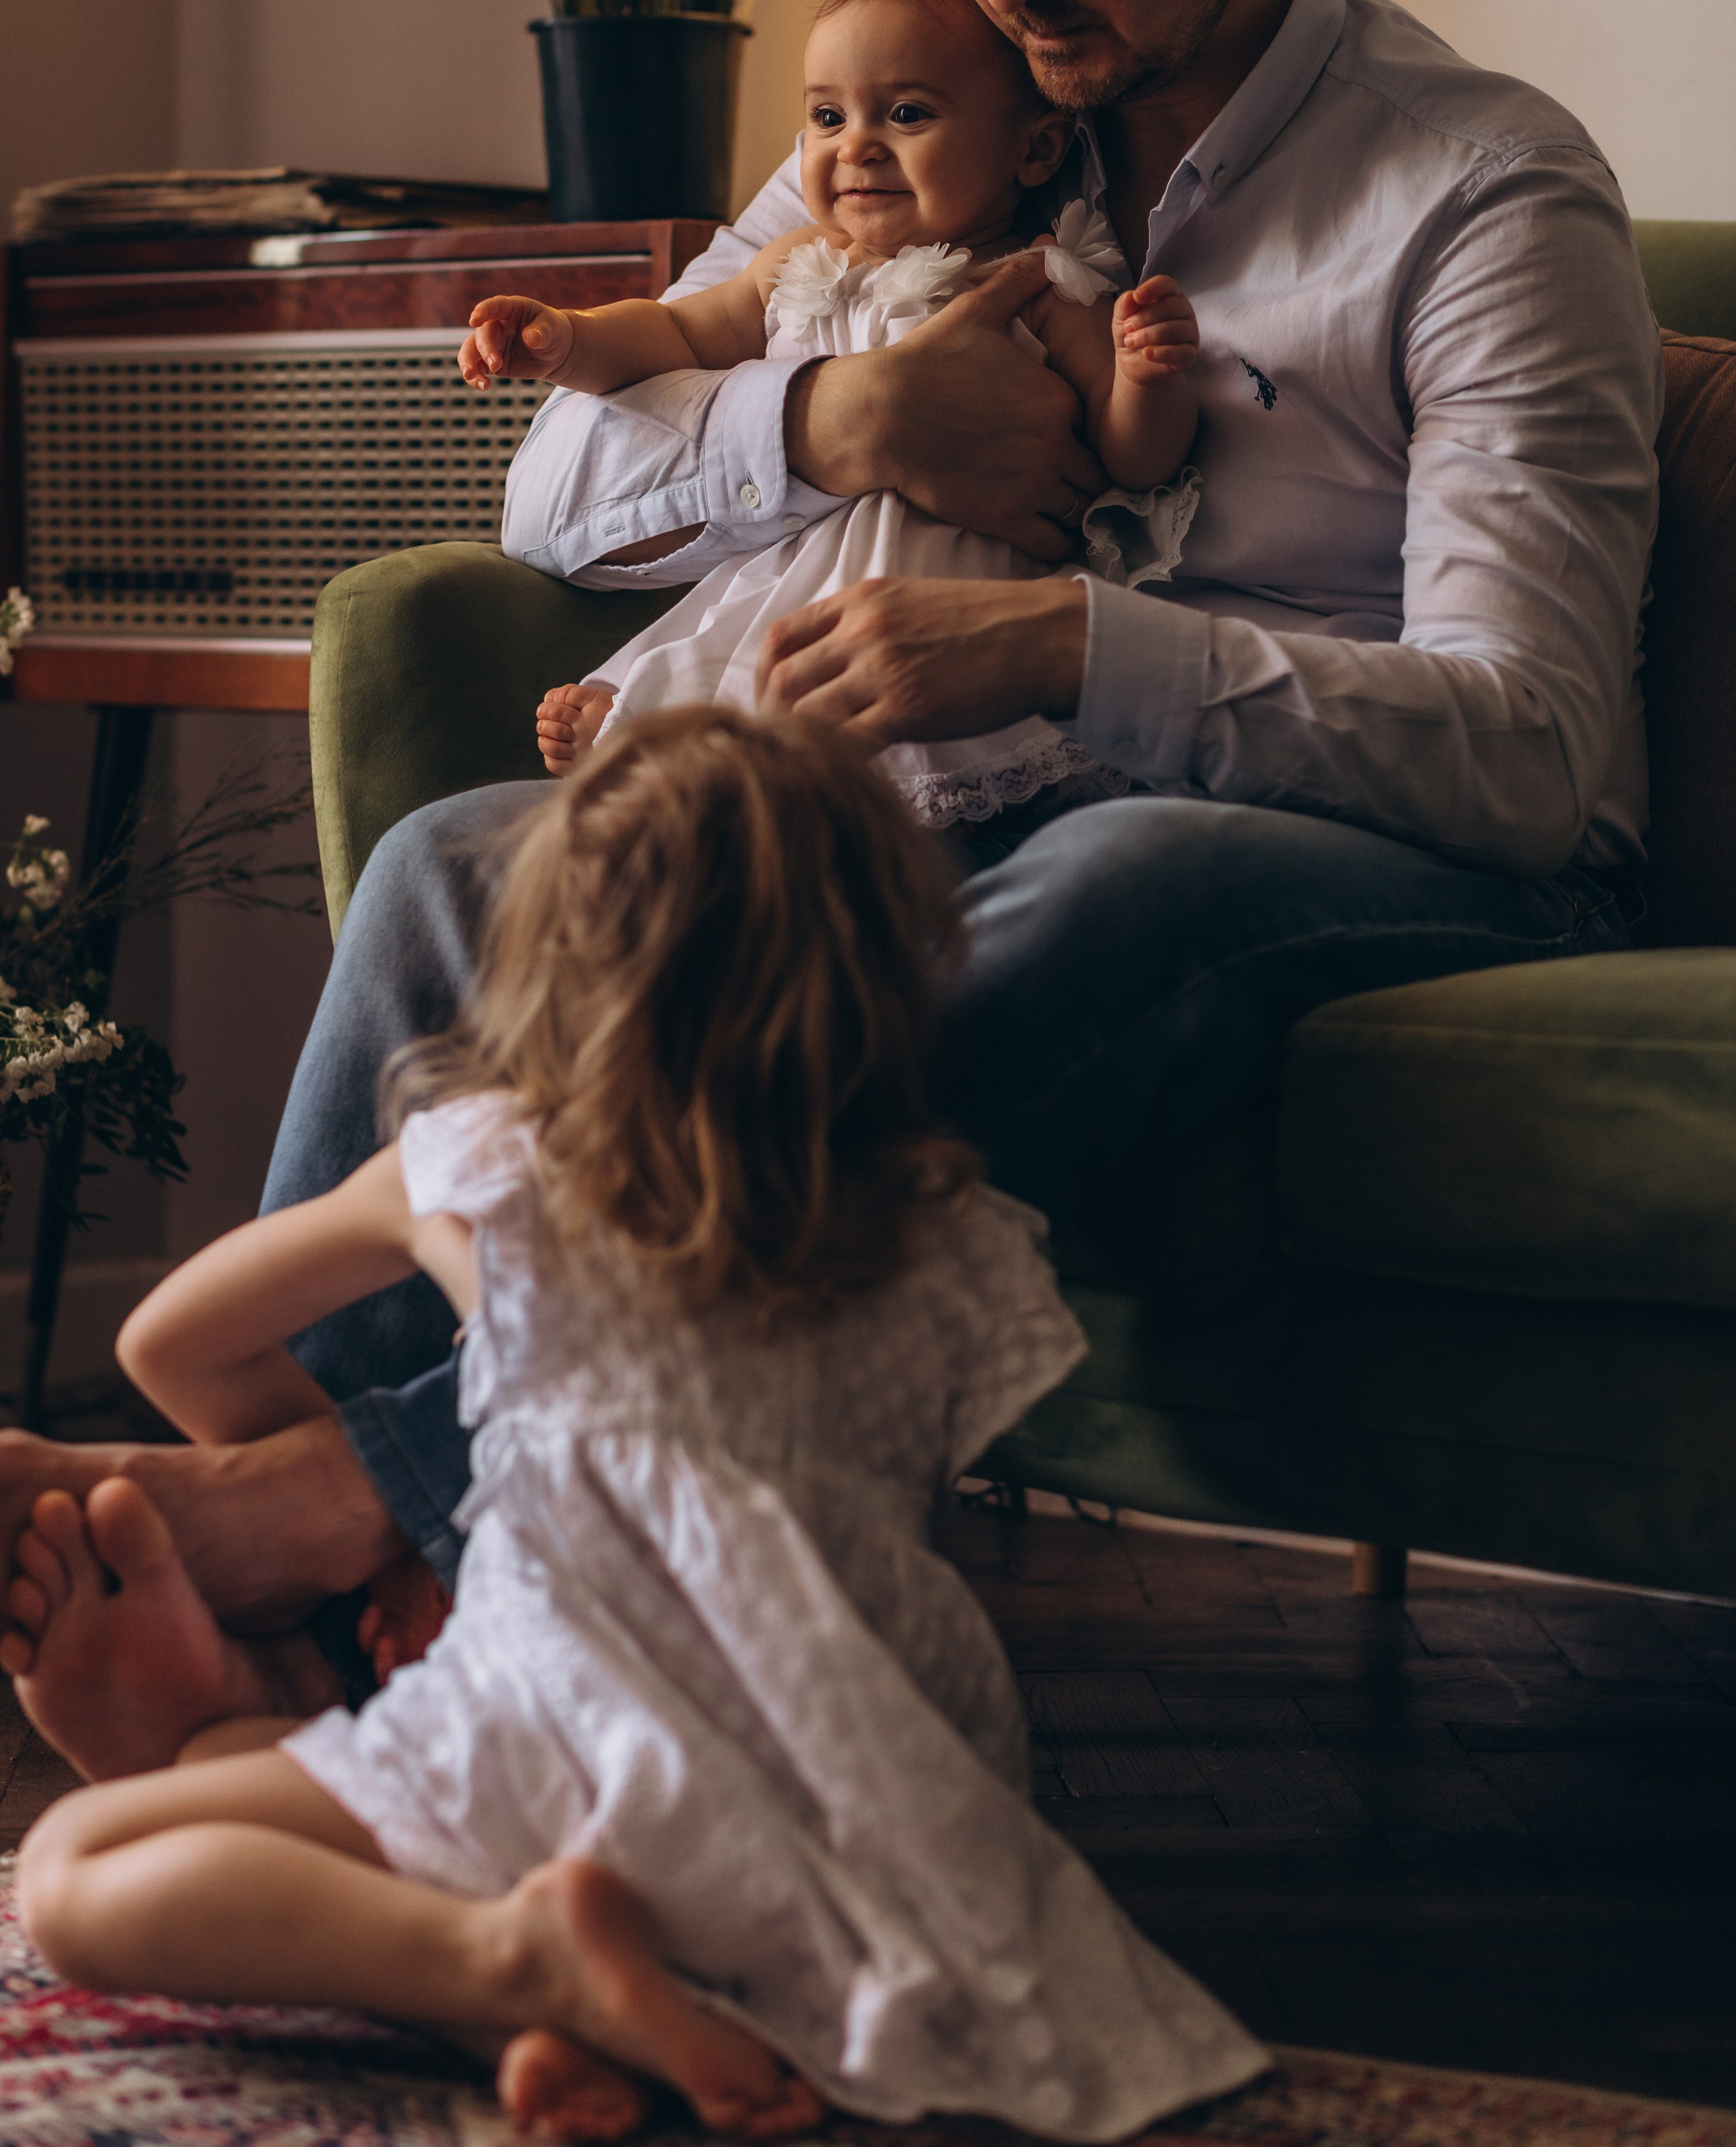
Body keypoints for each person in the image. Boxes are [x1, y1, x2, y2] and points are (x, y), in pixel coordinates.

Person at [0, 0, 1656, 1714]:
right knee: (462, 868)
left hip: (1347, 850)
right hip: (932, 795)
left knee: (1101, 877)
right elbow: (552, 501)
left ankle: (326, 1518)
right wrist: (835, 412)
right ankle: (354, 1652)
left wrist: (1069, 648)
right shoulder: (940, 119)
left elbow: (1530, 747)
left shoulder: (1477, 192)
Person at [10, 713, 1267, 2144]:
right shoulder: (948, 1240)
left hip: (550, 1730)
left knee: (76, 1870)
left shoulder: (475, 1169)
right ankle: (592, 1985)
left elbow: (161, 1340)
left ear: (547, 964)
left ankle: (503, 1958)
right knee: (396, 1829)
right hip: (875, 1789)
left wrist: (330, 1464)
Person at [459, 0, 1200, 825]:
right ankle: (655, 728)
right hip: (803, 568)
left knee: (876, 767)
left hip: (956, 613)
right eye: (827, 117)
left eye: (909, 114)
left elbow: (1134, 459)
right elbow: (673, 332)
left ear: (1035, 150)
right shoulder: (797, 261)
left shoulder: (1037, 282)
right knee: (746, 653)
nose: (860, 149)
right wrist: (568, 342)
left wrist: (1148, 378)